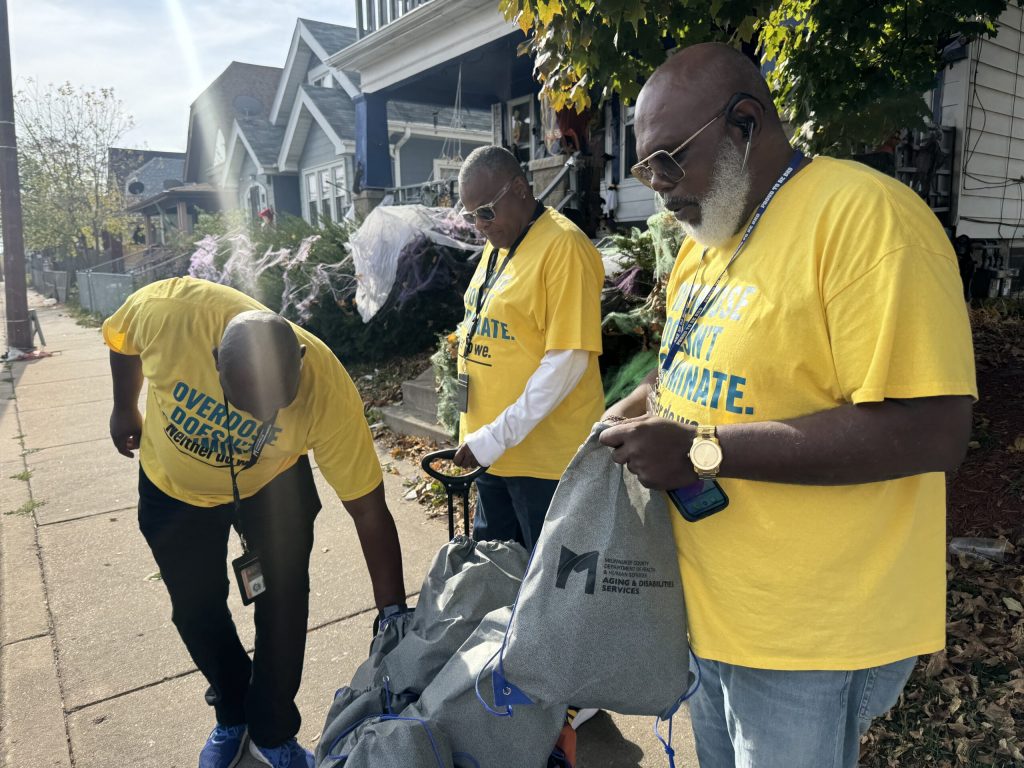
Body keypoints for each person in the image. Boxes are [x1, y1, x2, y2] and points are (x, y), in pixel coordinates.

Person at [599, 44, 976, 768]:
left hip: (807, 637)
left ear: (745, 121)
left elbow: (934, 430)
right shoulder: (705, 240)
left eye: (670, 161)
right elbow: (685, 371)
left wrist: (702, 449)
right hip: (707, 612)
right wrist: (635, 409)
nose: (660, 189)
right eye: (647, 170)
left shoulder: (866, 220)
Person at [103, 277, 406, 768]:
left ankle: (271, 730)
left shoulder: (325, 386)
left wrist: (393, 614)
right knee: (195, 609)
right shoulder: (168, 312)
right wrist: (123, 407)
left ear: (300, 365)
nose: (265, 414)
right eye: (247, 401)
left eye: (277, 402)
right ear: (215, 359)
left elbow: (368, 507)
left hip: (273, 487)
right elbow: (121, 337)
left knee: (284, 601)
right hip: (174, 489)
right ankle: (232, 712)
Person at [450, 145, 605, 553]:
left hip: (542, 466)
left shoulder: (564, 247)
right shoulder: (502, 239)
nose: (479, 225)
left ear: (519, 188)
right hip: (492, 454)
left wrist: (495, 437)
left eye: (485, 211)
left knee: (544, 598)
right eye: (470, 216)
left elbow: (567, 363)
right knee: (495, 586)